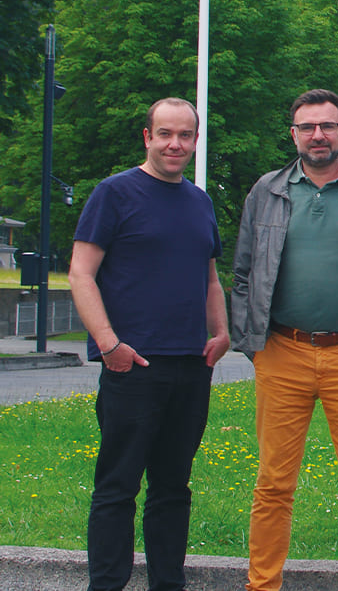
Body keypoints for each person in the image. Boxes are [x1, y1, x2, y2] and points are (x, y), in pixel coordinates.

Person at [231, 89, 338, 591]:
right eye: (307, 127)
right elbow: (243, 274)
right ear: (294, 134)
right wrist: (253, 344)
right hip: (280, 354)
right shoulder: (266, 191)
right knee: (273, 484)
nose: (318, 135)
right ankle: (262, 584)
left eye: (327, 126)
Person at [69, 97, 229, 591]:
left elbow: (210, 278)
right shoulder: (114, 193)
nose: (175, 144)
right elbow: (81, 273)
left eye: (185, 135)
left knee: (172, 488)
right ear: (147, 137)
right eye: (165, 134)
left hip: (189, 365)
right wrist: (108, 343)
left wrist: (221, 333)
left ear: (195, 140)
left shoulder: (199, 201)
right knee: (117, 486)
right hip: (131, 366)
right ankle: (108, 584)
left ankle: (167, 583)